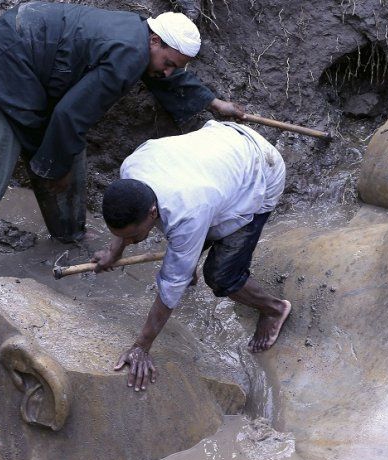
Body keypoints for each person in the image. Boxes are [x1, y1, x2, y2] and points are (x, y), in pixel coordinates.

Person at [0, 1, 244, 299]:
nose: (167, 71)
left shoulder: (140, 37)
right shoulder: (130, 54)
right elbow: (70, 115)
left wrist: (214, 103)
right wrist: (58, 168)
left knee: (68, 151)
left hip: (35, 73)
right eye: (169, 62)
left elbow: (161, 76)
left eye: (176, 67)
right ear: (155, 41)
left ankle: (68, 236)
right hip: (3, 63)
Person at [93, 120, 291, 392]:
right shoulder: (131, 170)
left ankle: (274, 309)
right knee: (185, 245)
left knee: (221, 276)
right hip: (220, 150)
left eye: (133, 237)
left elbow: (170, 285)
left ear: (152, 212)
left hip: (260, 170)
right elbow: (127, 213)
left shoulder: (187, 210)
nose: (129, 242)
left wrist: (142, 346)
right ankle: (189, 262)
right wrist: (114, 251)